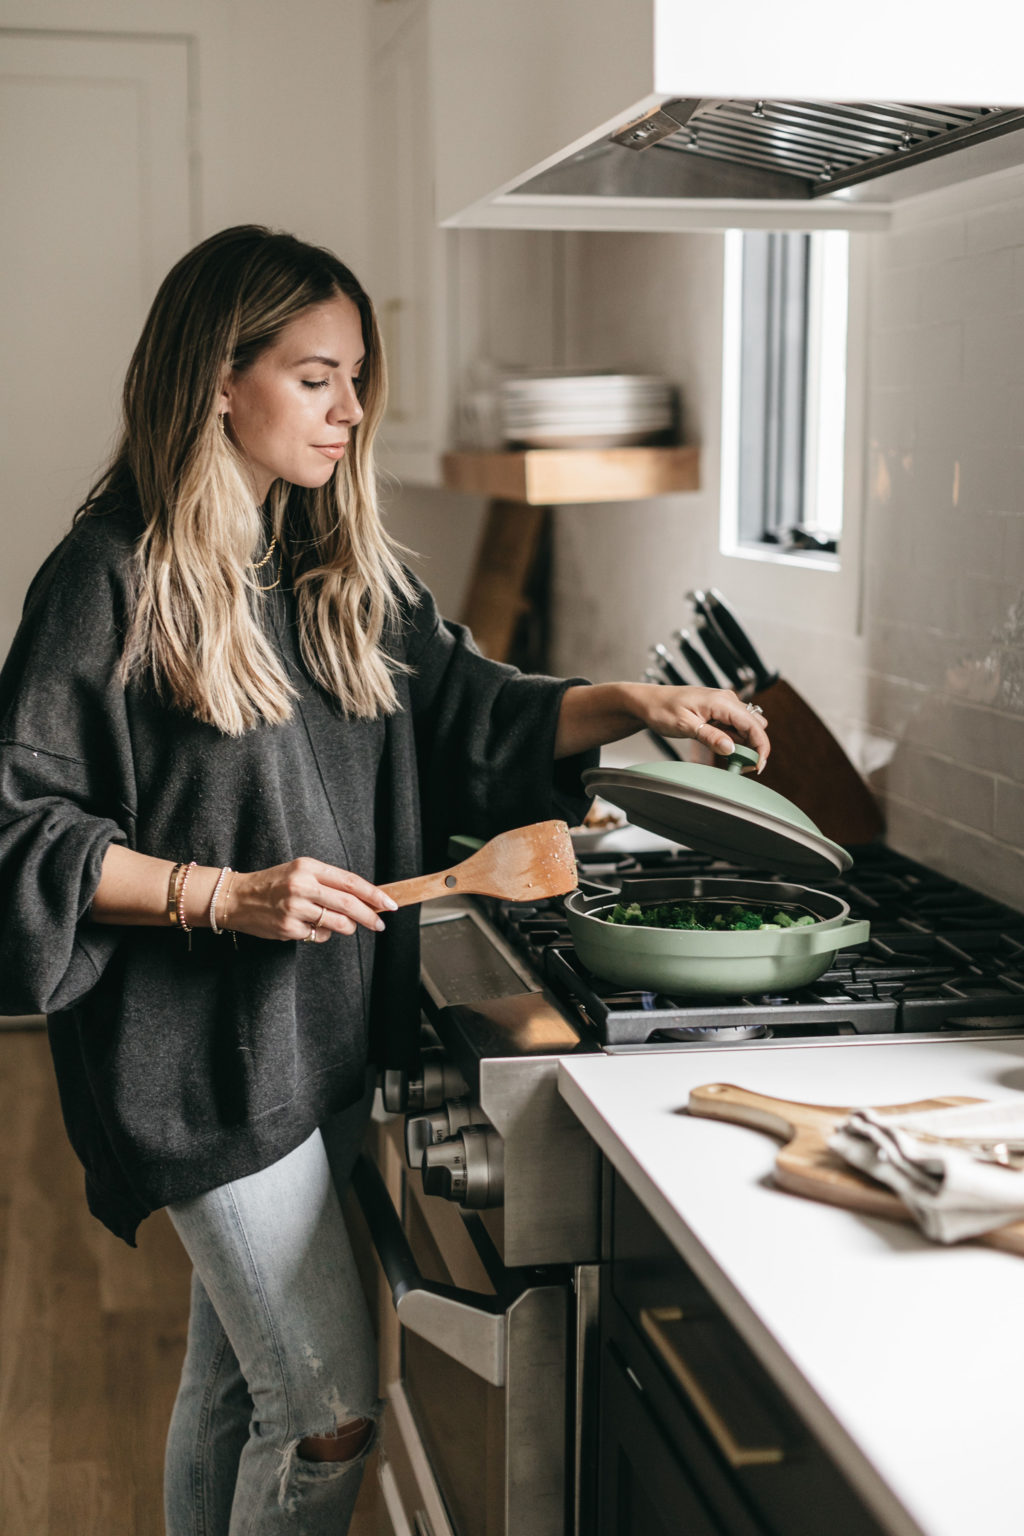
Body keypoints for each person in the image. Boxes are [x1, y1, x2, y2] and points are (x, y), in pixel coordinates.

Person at [0, 225, 770, 1534]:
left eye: (358, 375)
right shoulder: (109, 581)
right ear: (215, 379)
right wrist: (218, 893)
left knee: (241, 1388)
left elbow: (471, 710)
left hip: (315, 1042)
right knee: (325, 1410)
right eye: (317, 376)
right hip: (193, 1064)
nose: (354, 409)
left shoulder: (331, 572)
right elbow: (20, 827)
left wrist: (628, 700)